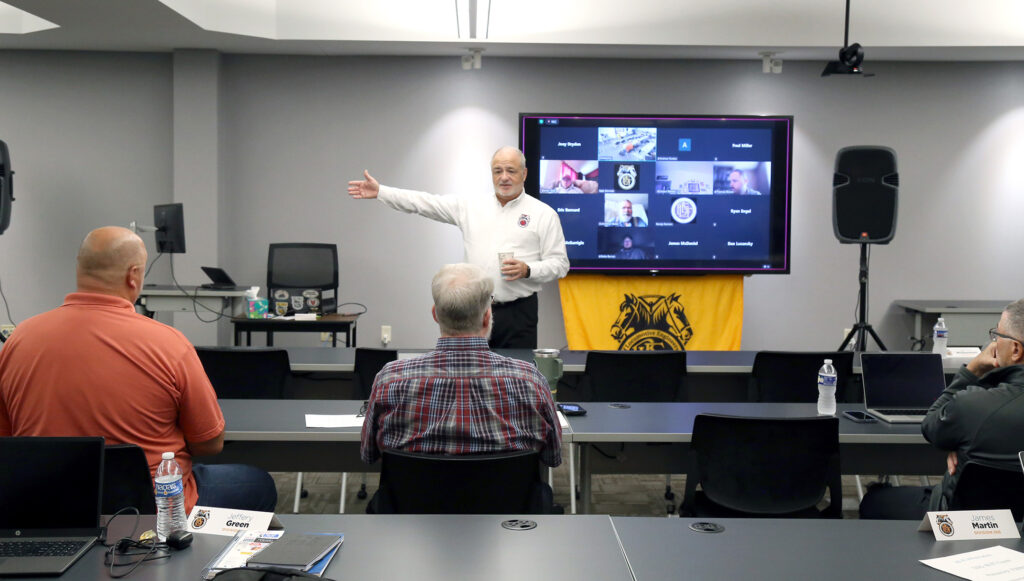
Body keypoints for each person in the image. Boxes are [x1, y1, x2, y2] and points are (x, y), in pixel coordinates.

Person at [0, 226, 277, 514]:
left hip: (47, 509)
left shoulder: (19, 339)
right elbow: (209, 443)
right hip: (150, 510)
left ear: (80, 269)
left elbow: (8, 439)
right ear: (133, 276)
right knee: (258, 483)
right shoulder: (169, 343)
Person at [347, 146, 569, 349]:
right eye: (497, 171)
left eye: (511, 170)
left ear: (524, 173)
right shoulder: (471, 207)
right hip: (474, 309)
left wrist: (528, 269)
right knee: (471, 372)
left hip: (518, 313)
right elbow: (424, 203)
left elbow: (560, 264)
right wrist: (381, 192)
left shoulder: (544, 214)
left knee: (516, 374)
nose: (504, 177)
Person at [359, 263, 561, 469]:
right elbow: (552, 456)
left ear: (435, 315)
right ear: (487, 317)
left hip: (413, 491)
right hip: (509, 491)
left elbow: (369, 454)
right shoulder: (530, 379)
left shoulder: (390, 379)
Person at [859, 298, 1024, 519]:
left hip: (958, 522)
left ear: (1015, 349)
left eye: (998, 336)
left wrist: (972, 371)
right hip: (1018, 524)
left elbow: (931, 425)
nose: (993, 343)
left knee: (875, 501)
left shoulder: (972, 406)